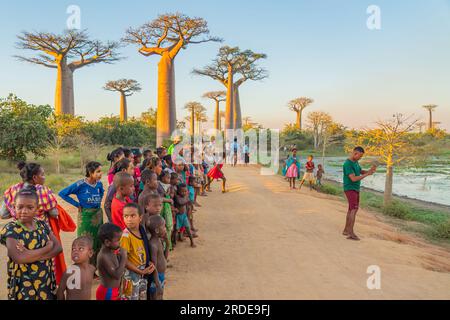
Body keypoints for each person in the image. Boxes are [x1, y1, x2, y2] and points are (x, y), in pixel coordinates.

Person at [1, 162, 75, 284]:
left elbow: (3, 214)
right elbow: (54, 214)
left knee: (21, 263)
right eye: (43, 174)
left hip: (19, 233)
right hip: (40, 233)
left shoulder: (11, 190)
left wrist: (17, 213)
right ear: (35, 177)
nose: (44, 177)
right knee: (44, 265)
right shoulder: (43, 191)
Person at [0, 187, 63, 300]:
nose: (24, 211)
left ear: (37, 209)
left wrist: (29, 254)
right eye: (20, 207)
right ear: (14, 207)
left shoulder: (41, 224)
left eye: (30, 207)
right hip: (24, 282)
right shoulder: (11, 229)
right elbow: (19, 258)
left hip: (45, 278)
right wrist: (47, 248)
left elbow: (58, 247)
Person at [59, 162, 104, 262]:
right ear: (90, 172)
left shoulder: (99, 184)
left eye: (101, 171)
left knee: (97, 241)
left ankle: (94, 268)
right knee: (85, 241)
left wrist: (98, 202)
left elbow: (101, 192)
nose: (101, 174)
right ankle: (83, 267)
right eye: (98, 171)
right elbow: (62, 193)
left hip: (97, 215)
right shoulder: (80, 184)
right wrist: (77, 204)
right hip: (86, 217)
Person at [120, 203, 155, 300]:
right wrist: (140, 271)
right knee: (131, 297)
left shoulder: (141, 230)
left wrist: (148, 262)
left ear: (140, 217)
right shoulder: (126, 236)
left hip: (143, 272)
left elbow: (144, 250)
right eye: (126, 216)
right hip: (131, 275)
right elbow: (124, 260)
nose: (129, 219)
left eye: (133, 216)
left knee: (142, 295)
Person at [342, 147, 377, 241]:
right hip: (350, 188)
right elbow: (353, 178)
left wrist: (369, 171)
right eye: (360, 156)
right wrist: (366, 175)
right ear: (355, 153)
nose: (360, 158)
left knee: (351, 209)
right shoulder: (348, 164)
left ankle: (346, 230)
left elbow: (359, 171)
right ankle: (351, 233)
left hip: (355, 188)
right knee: (354, 209)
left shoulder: (355, 162)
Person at [56, 236, 96, 300]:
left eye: (81, 249)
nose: (75, 252)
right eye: (73, 249)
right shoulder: (69, 272)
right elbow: (60, 292)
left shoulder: (92, 269)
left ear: (90, 253)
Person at [96, 223, 127, 300]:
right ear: (107, 242)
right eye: (118, 240)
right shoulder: (103, 256)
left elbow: (118, 267)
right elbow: (116, 275)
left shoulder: (112, 251)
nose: (120, 243)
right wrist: (124, 257)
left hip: (114, 291)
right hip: (107, 292)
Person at [147, 215, 167, 300]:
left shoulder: (159, 240)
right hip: (156, 277)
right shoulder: (153, 245)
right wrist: (157, 283)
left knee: (160, 295)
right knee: (155, 296)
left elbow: (164, 257)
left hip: (161, 275)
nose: (165, 229)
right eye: (164, 227)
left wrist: (168, 243)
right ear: (157, 230)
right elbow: (153, 266)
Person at [158, 171, 174, 251]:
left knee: (168, 227)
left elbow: (168, 195)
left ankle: (168, 246)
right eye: (168, 178)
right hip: (162, 209)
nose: (169, 179)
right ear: (162, 178)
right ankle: (164, 248)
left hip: (166, 208)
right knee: (164, 227)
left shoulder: (168, 186)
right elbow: (160, 198)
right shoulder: (158, 185)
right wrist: (168, 200)